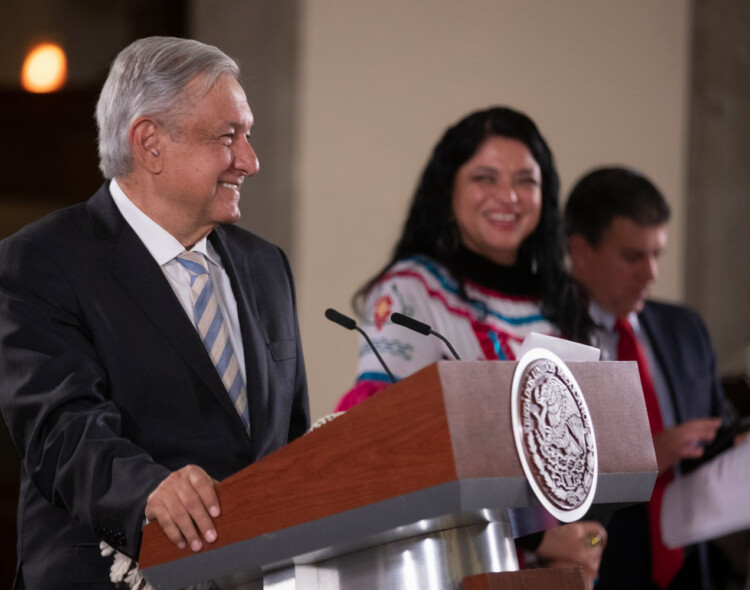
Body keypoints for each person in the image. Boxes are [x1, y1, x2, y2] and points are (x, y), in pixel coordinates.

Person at [0, 37, 309, 589]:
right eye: (228, 136)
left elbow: (286, 440)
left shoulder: (267, 268)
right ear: (149, 143)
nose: (250, 160)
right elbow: (61, 429)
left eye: (249, 135)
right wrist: (148, 489)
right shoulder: (39, 262)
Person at [334, 106, 606, 587]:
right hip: (440, 566)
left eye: (526, 181)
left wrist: (583, 537)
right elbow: (395, 453)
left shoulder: (563, 303)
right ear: (449, 192)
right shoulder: (410, 294)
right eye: (485, 178)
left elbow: (583, 452)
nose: (508, 197)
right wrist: (538, 536)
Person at [564, 166, 729, 590]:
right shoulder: (549, 343)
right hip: (600, 569)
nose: (650, 274)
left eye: (657, 254)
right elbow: (541, 484)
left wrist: (734, 441)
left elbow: (715, 427)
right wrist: (646, 457)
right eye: (633, 257)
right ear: (581, 253)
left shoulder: (685, 328)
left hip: (694, 568)